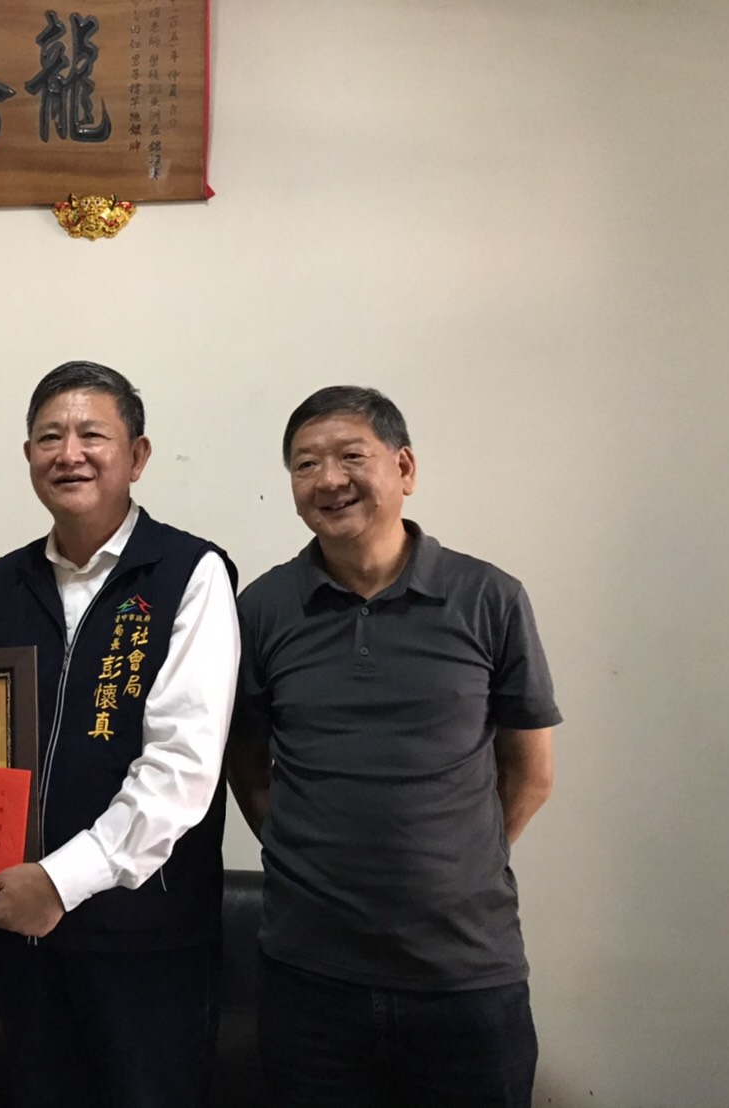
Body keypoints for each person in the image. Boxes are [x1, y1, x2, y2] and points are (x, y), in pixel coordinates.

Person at [0, 361, 240, 1107]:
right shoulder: (5, 580)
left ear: (138, 455)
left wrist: (60, 881)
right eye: (49, 437)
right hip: (22, 938)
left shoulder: (190, 573)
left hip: (146, 941)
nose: (70, 454)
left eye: (93, 435)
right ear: (28, 454)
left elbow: (182, 767)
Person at [226, 386, 560, 1106]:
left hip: (465, 976)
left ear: (404, 468)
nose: (329, 480)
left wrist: (457, 865)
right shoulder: (262, 608)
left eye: (352, 456)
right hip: (308, 977)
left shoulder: (489, 597)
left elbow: (530, 773)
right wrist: (307, 852)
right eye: (305, 464)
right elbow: (246, 764)